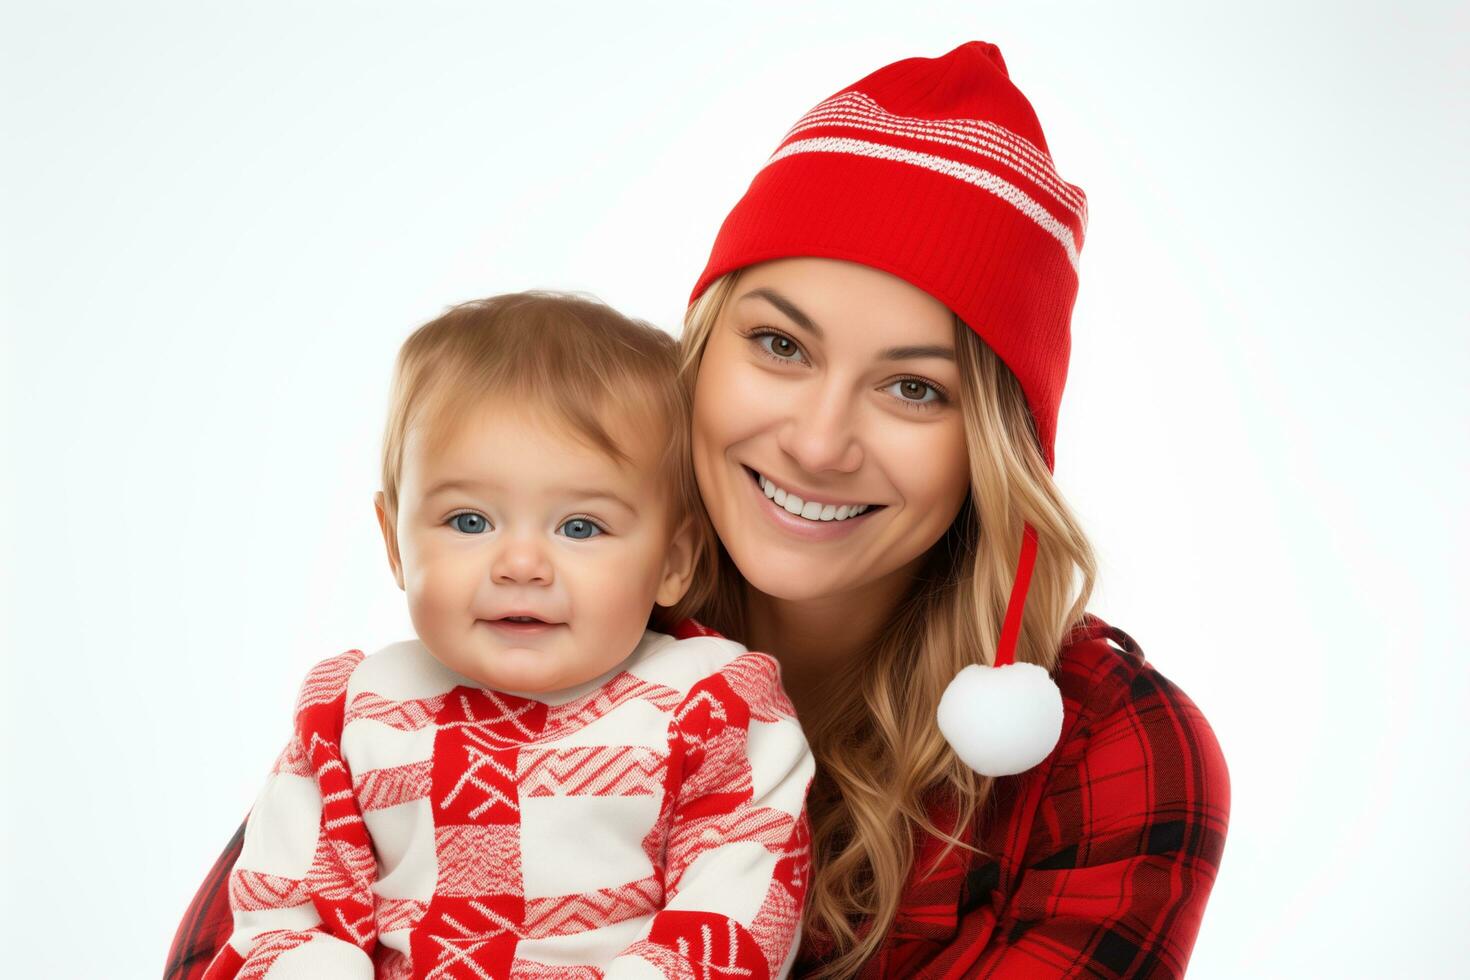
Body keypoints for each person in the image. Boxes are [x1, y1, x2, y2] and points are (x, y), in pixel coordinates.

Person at [169, 41, 1229, 979]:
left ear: (999, 449)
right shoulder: (516, 635)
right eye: (779, 343)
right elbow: (242, 938)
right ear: (700, 350)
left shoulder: (1107, 750)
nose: (818, 441)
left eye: (917, 387)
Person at [196, 293, 814, 979]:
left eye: (580, 528)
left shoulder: (707, 704)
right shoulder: (352, 715)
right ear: (394, 544)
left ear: (673, 561)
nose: (521, 566)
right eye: (469, 522)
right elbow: (284, 915)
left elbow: (736, 919)